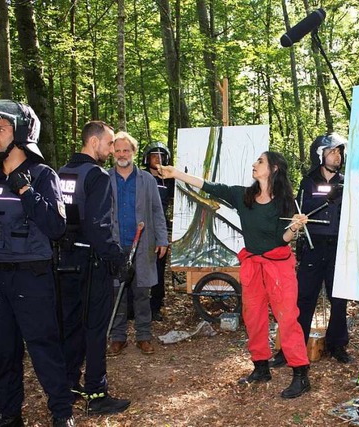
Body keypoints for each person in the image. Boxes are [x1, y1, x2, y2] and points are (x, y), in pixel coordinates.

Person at [158, 151, 312, 399]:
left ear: (273, 169)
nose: (254, 164)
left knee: (286, 318)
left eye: (260, 161)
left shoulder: (285, 201)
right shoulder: (244, 196)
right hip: (252, 264)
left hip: (278, 266)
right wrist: (176, 173)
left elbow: (279, 239)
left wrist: (293, 227)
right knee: (253, 316)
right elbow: (209, 186)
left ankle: (301, 374)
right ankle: (261, 367)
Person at [0, 100, 75, 427]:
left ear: (21, 133)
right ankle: (8, 414)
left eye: (0, 129)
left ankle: (61, 414)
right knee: (4, 350)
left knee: (43, 347)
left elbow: (56, 227)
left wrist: (25, 190)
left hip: (32, 276)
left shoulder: (42, 176)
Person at [57, 121, 130, 415]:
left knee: (71, 325)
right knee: (96, 328)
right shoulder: (96, 176)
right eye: (109, 143)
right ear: (94, 142)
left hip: (66, 262)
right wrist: (116, 258)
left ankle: (69, 384)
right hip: (92, 263)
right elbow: (99, 225)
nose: (111, 149)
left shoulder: (62, 173)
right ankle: (97, 394)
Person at [269, 133, 350, 368]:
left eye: (339, 152)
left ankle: (337, 345)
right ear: (320, 154)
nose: (337, 156)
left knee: (339, 298)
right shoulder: (308, 182)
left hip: (337, 247)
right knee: (304, 299)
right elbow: (299, 212)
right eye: (333, 151)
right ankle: (291, 348)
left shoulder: (347, 182)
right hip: (313, 248)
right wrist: (325, 201)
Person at [107, 133, 169, 356]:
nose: (122, 154)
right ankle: (118, 337)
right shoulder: (105, 178)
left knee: (142, 292)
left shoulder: (147, 180)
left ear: (134, 152)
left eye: (126, 150)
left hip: (142, 244)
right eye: (118, 150)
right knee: (117, 292)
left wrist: (162, 239)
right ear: (113, 153)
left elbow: (156, 211)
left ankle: (143, 336)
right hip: (114, 245)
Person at [141, 142, 175, 321]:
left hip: (160, 230)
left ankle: (156, 306)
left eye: (162, 156)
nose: (158, 159)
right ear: (147, 158)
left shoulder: (170, 180)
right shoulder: (140, 177)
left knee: (158, 269)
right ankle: (133, 306)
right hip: (141, 228)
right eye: (154, 156)